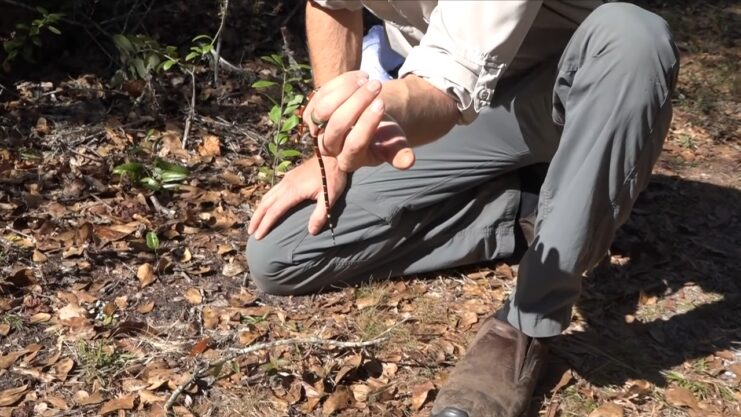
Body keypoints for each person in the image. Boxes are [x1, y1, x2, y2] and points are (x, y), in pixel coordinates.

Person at [247, 1, 679, 416]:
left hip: (562, 96)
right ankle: (532, 203)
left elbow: (441, 92)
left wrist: (375, 107)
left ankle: (527, 320)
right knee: (282, 253)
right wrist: (333, 145)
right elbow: (333, 6)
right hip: (469, 108)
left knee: (634, 37)